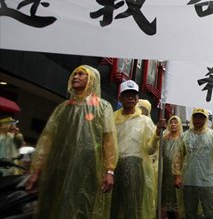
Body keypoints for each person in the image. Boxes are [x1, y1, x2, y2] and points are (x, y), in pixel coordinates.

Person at [25, 65, 118, 219]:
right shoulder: (63, 108)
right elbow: (47, 141)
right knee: (54, 206)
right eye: (75, 73)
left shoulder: (102, 107)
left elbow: (109, 140)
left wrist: (109, 170)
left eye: (82, 74)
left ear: (92, 80)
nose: (76, 76)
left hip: (87, 170)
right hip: (58, 168)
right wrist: (37, 171)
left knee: (81, 206)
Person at [111, 80, 158, 219]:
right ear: (120, 98)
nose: (130, 98)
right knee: (112, 204)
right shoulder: (112, 118)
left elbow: (150, 150)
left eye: (133, 95)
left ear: (138, 99)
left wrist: (156, 136)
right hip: (113, 166)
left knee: (132, 206)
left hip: (134, 166)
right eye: (127, 95)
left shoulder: (145, 121)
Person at [173, 108, 213, 219]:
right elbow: (177, 157)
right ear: (192, 118)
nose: (198, 119)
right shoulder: (185, 136)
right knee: (190, 213)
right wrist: (177, 176)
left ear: (206, 118)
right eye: (196, 116)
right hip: (189, 180)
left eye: (201, 117)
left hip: (208, 181)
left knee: (209, 213)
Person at [152, 115, 184, 219]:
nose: (173, 124)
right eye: (171, 122)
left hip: (179, 174)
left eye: (175, 122)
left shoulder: (184, 139)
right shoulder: (164, 138)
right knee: (164, 199)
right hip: (165, 173)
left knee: (177, 200)